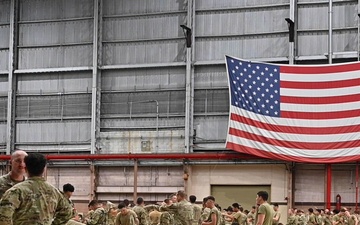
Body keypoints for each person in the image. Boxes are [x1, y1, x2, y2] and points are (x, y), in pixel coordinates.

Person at [0, 152, 73, 225]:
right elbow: (68, 211)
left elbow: (3, 216)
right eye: (18, 161)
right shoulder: (54, 191)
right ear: (44, 169)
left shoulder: (16, 191)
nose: (21, 164)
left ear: (26, 168)